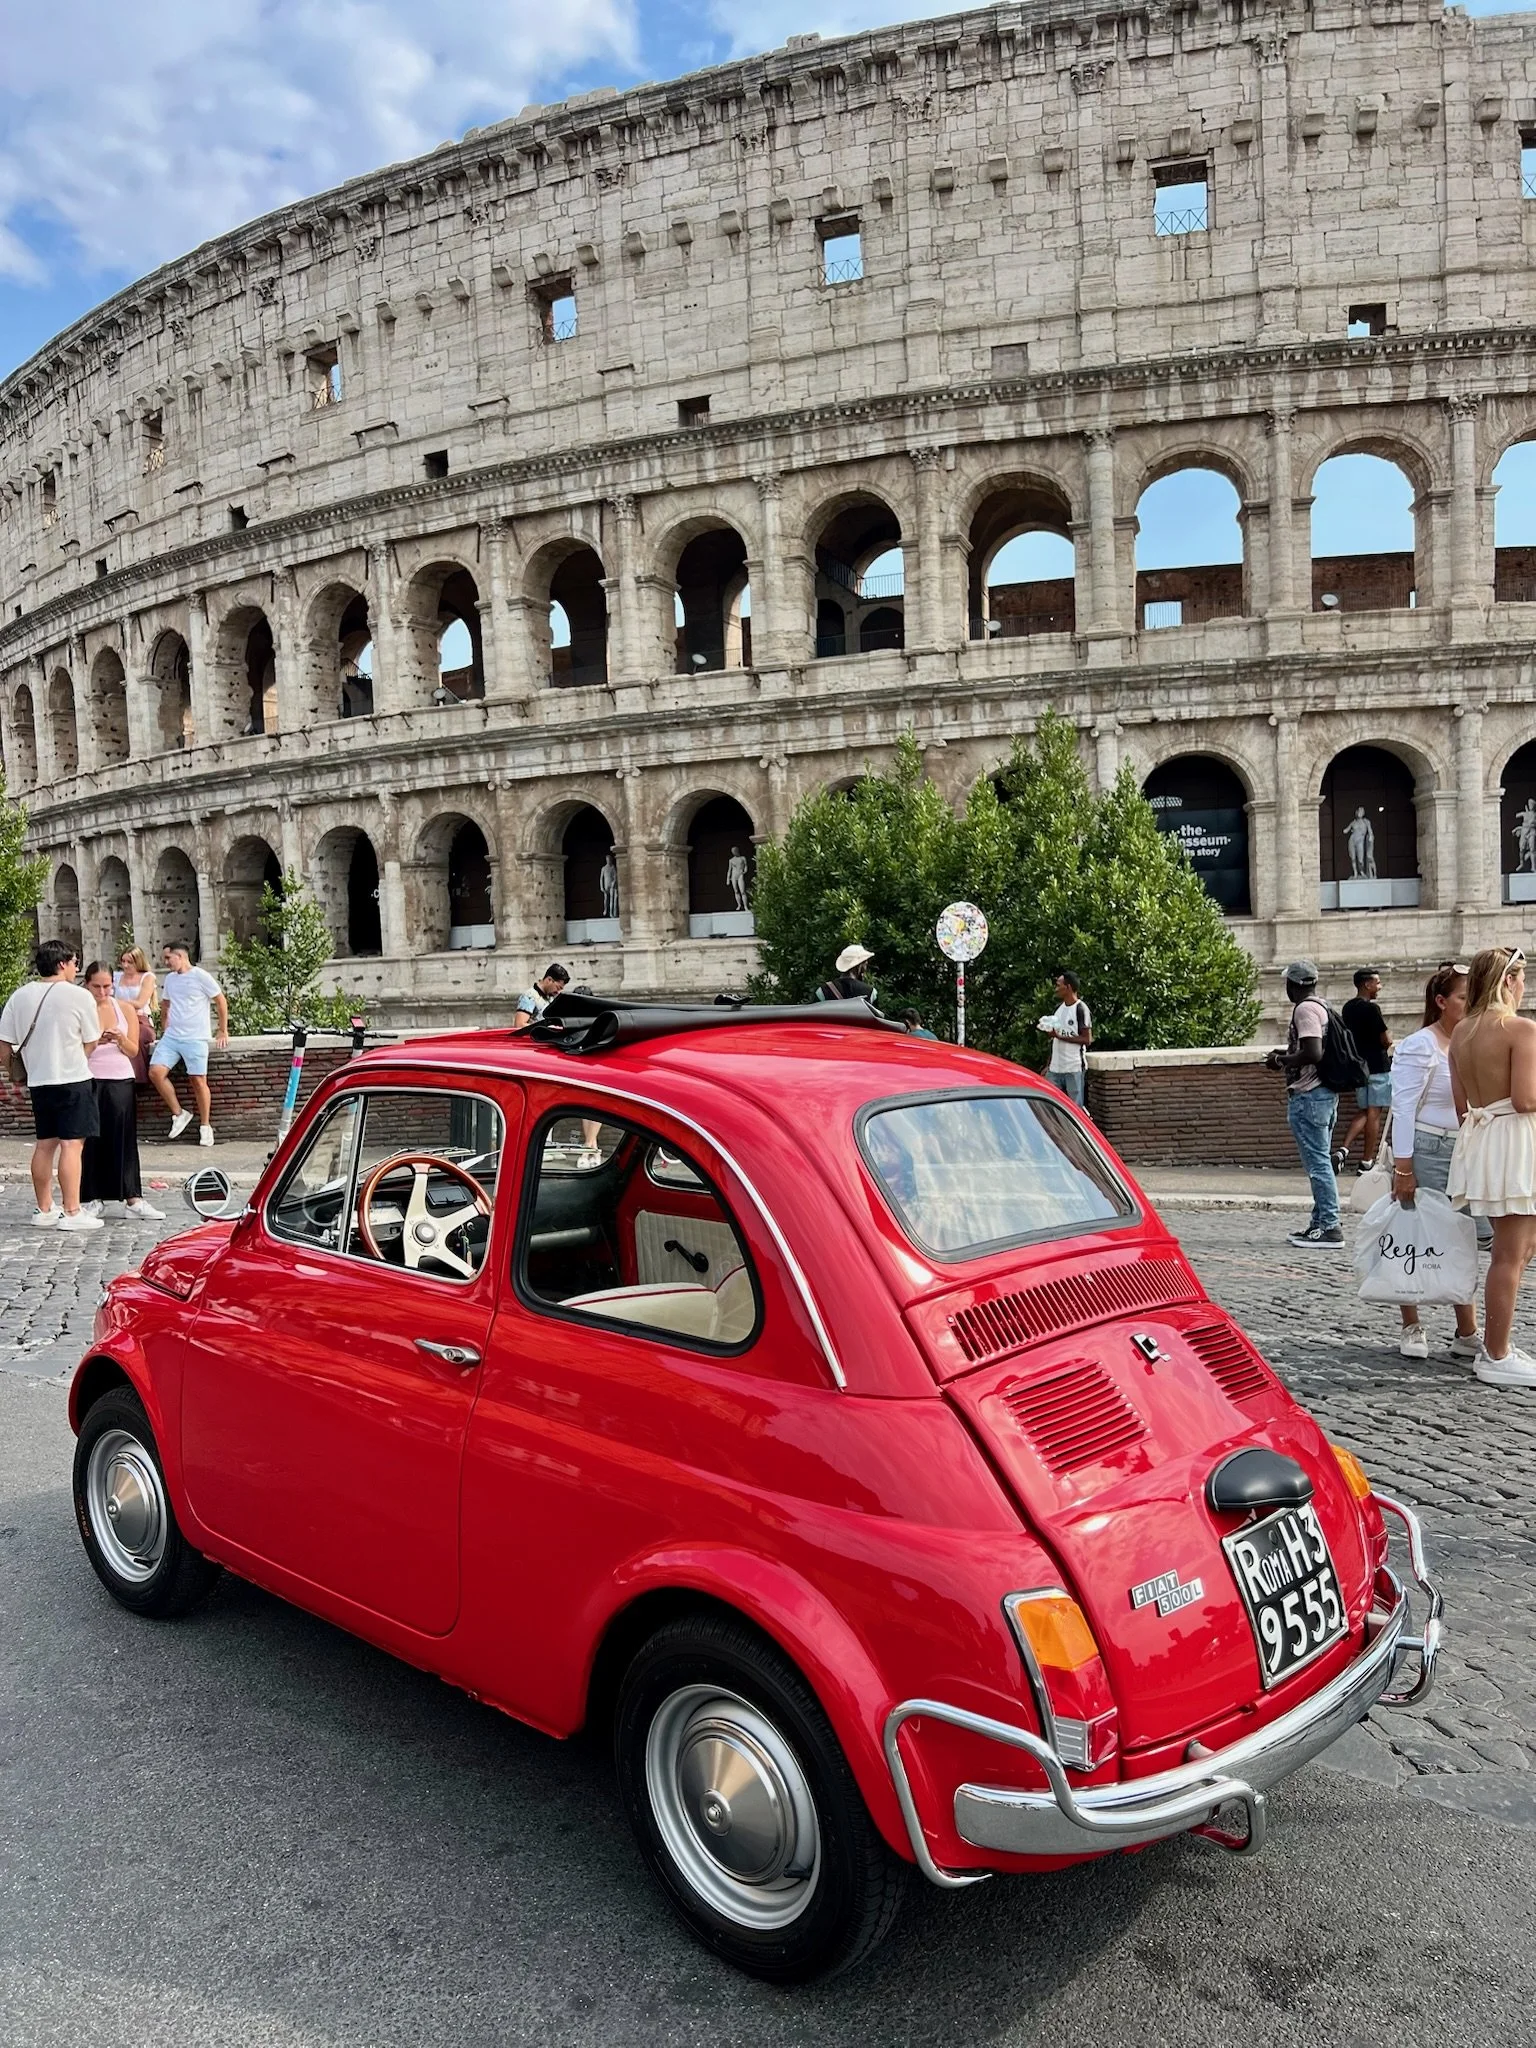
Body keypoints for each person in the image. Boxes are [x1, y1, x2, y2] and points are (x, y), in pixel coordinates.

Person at [1447, 945, 1536, 1386]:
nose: (1524, 988)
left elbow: (1460, 1104)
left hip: (1484, 1138)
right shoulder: (1519, 1029)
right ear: (1507, 982)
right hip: (1516, 1141)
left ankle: (1498, 1344)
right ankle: (1496, 1354)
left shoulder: (1460, 1032)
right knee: (1510, 1253)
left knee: (1514, 1248)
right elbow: (1525, 1099)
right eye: (1521, 979)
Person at [1389, 964, 1481, 1360]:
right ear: (1441, 1002)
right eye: (1463, 997)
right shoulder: (1420, 1046)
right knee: (1414, 1235)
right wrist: (1404, 1168)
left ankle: (1466, 1330)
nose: (1469, 1003)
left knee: (1461, 1239)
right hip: (1426, 1148)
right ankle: (1411, 1324)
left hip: (1464, 1149)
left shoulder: (1471, 1040)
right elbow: (1404, 1109)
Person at [0, 939, 104, 1232]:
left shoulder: (19, 996)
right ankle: (72, 1210)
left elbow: (4, 1048)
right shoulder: (78, 996)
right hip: (72, 1078)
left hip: (40, 1080)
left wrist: (20, 1071)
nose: (76, 968)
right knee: (72, 1144)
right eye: (74, 963)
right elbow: (92, 1039)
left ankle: (44, 1208)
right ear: (62, 964)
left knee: (45, 1144)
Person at [1265, 959, 1343, 1250]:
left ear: (1294, 984)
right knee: (1320, 1161)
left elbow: (1313, 1052)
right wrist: (1285, 1053)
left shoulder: (1305, 1009)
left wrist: (1281, 1061)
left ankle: (1330, 1227)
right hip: (1324, 1095)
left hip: (1310, 1096)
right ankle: (1320, 1222)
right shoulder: (1322, 1005)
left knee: (1318, 1163)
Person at [79, 962, 164, 1220]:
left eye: (107, 986)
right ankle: (91, 1197)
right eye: (97, 987)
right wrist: (95, 1042)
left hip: (119, 1077)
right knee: (90, 1139)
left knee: (124, 1138)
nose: (103, 992)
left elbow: (133, 1050)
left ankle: (132, 1197)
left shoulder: (124, 1008)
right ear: (87, 985)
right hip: (89, 1075)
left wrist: (118, 1038)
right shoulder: (82, 1010)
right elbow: (75, 1050)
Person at [148, 943, 229, 1146]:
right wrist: (164, 1026)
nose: (165, 962)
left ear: (180, 956)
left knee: (198, 1080)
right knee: (155, 1072)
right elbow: (166, 1004)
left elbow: (220, 1000)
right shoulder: (170, 979)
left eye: (168, 958)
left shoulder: (200, 976)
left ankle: (205, 1125)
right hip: (173, 1036)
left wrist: (222, 1029)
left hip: (196, 1037)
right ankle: (179, 1113)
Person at [1340, 966, 1392, 1168]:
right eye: (1377, 983)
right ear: (1367, 984)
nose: (1379, 987)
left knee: (1364, 1110)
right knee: (1374, 1113)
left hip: (1359, 1067)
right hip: (1378, 1067)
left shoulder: (1348, 1008)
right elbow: (1386, 1040)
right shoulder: (1372, 1009)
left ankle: (1343, 1149)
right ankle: (1366, 1160)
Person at [1039, 970, 1092, 1110]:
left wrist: (1060, 1037)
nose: (1056, 989)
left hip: (1073, 1067)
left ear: (1067, 987)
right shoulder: (1059, 1010)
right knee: (1050, 1104)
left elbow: (1087, 1039)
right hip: (1056, 1067)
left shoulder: (1081, 1009)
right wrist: (1049, 1064)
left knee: (1075, 1107)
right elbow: (1055, 1041)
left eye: (1059, 985)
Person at [112, 944, 157, 1082]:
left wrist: (117, 1003)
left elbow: (140, 1003)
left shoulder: (147, 977)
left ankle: (138, 1078)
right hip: (120, 1018)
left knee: (136, 1038)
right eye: (123, 961)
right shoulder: (116, 977)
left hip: (140, 1019)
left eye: (129, 962)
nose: (125, 965)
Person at [512, 963, 570, 1031]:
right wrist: (546, 1029)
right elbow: (519, 1024)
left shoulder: (550, 998)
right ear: (549, 980)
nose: (558, 992)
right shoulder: (529, 996)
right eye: (558, 987)